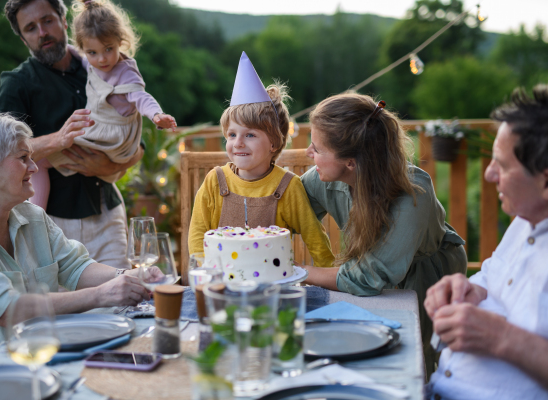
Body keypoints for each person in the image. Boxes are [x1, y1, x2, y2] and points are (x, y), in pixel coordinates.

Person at [0, 110, 151, 369]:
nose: (34, 167)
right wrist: (101, 295)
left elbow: (75, 267)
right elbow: (7, 309)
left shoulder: (31, 215)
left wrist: (132, 278)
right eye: (23, 158)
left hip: (38, 357)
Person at [300, 93, 467, 378]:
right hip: (369, 279)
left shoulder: (412, 193)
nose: (307, 153)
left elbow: (368, 277)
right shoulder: (322, 179)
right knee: (357, 349)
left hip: (427, 277)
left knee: (415, 360)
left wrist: (300, 272)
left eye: (316, 149)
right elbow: (286, 211)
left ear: (350, 162)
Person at [0, 0, 139, 269]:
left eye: (47, 20)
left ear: (63, 20)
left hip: (109, 215)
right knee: (65, 309)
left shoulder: (102, 66)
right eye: (30, 28)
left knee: (121, 305)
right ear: (23, 36)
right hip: (52, 224)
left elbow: (136, 143)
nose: (42, 32)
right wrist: (57, 140)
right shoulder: (17, 84)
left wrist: (109, 165)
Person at [424, 85, 548, 399]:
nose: (490, 175)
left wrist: (499, 337)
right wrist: (467, 288)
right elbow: (493, 276)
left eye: (502, 166)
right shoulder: (525, 220)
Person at [188, 52, 335, 270]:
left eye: (250, 135)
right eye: (231, 134)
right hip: (221, 283)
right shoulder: (214, 181)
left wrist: (328, 276)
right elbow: (197, 235)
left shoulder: (288, 187)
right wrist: (202, 272)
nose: (238, 143)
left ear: (274, 143)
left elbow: (315, 237)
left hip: (274, 285)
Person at [32, 0, 177, 209]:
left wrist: (156, 115)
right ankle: (39, 213)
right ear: (84, 49)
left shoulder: (125, 72)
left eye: (108, 49)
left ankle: (37, 216)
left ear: (120, 41)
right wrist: (61, 49)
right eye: (92, 52)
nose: (101, 59)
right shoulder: (89, 61)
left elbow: (141, 97)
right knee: (40, 162)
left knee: (40, 161)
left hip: (111, 139)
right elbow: (78, 55)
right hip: (99, 131)